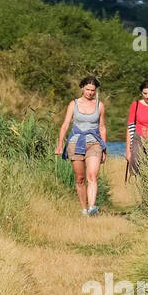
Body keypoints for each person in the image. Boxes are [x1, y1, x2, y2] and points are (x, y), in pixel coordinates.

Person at [56, 76, 107, 216]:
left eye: (92, 90)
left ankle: (92, 208)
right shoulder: (73, 104)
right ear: (82, 88)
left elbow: (102, 127)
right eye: (87, 89)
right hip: (75, 142)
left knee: (92, 176)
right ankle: (84, 209)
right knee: (80, 178)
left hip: (94, 143)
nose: (90, 92)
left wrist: (104, 148)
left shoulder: (99, 105)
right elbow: (65, 124)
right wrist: (60, 145)